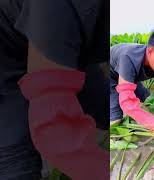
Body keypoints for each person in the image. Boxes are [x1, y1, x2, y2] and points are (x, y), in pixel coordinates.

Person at [0, 0, 107, 179]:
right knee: (16, 160)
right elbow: (55, 131)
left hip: (57, 35)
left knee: (101, 102)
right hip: (6, 58)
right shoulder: (56, 10)